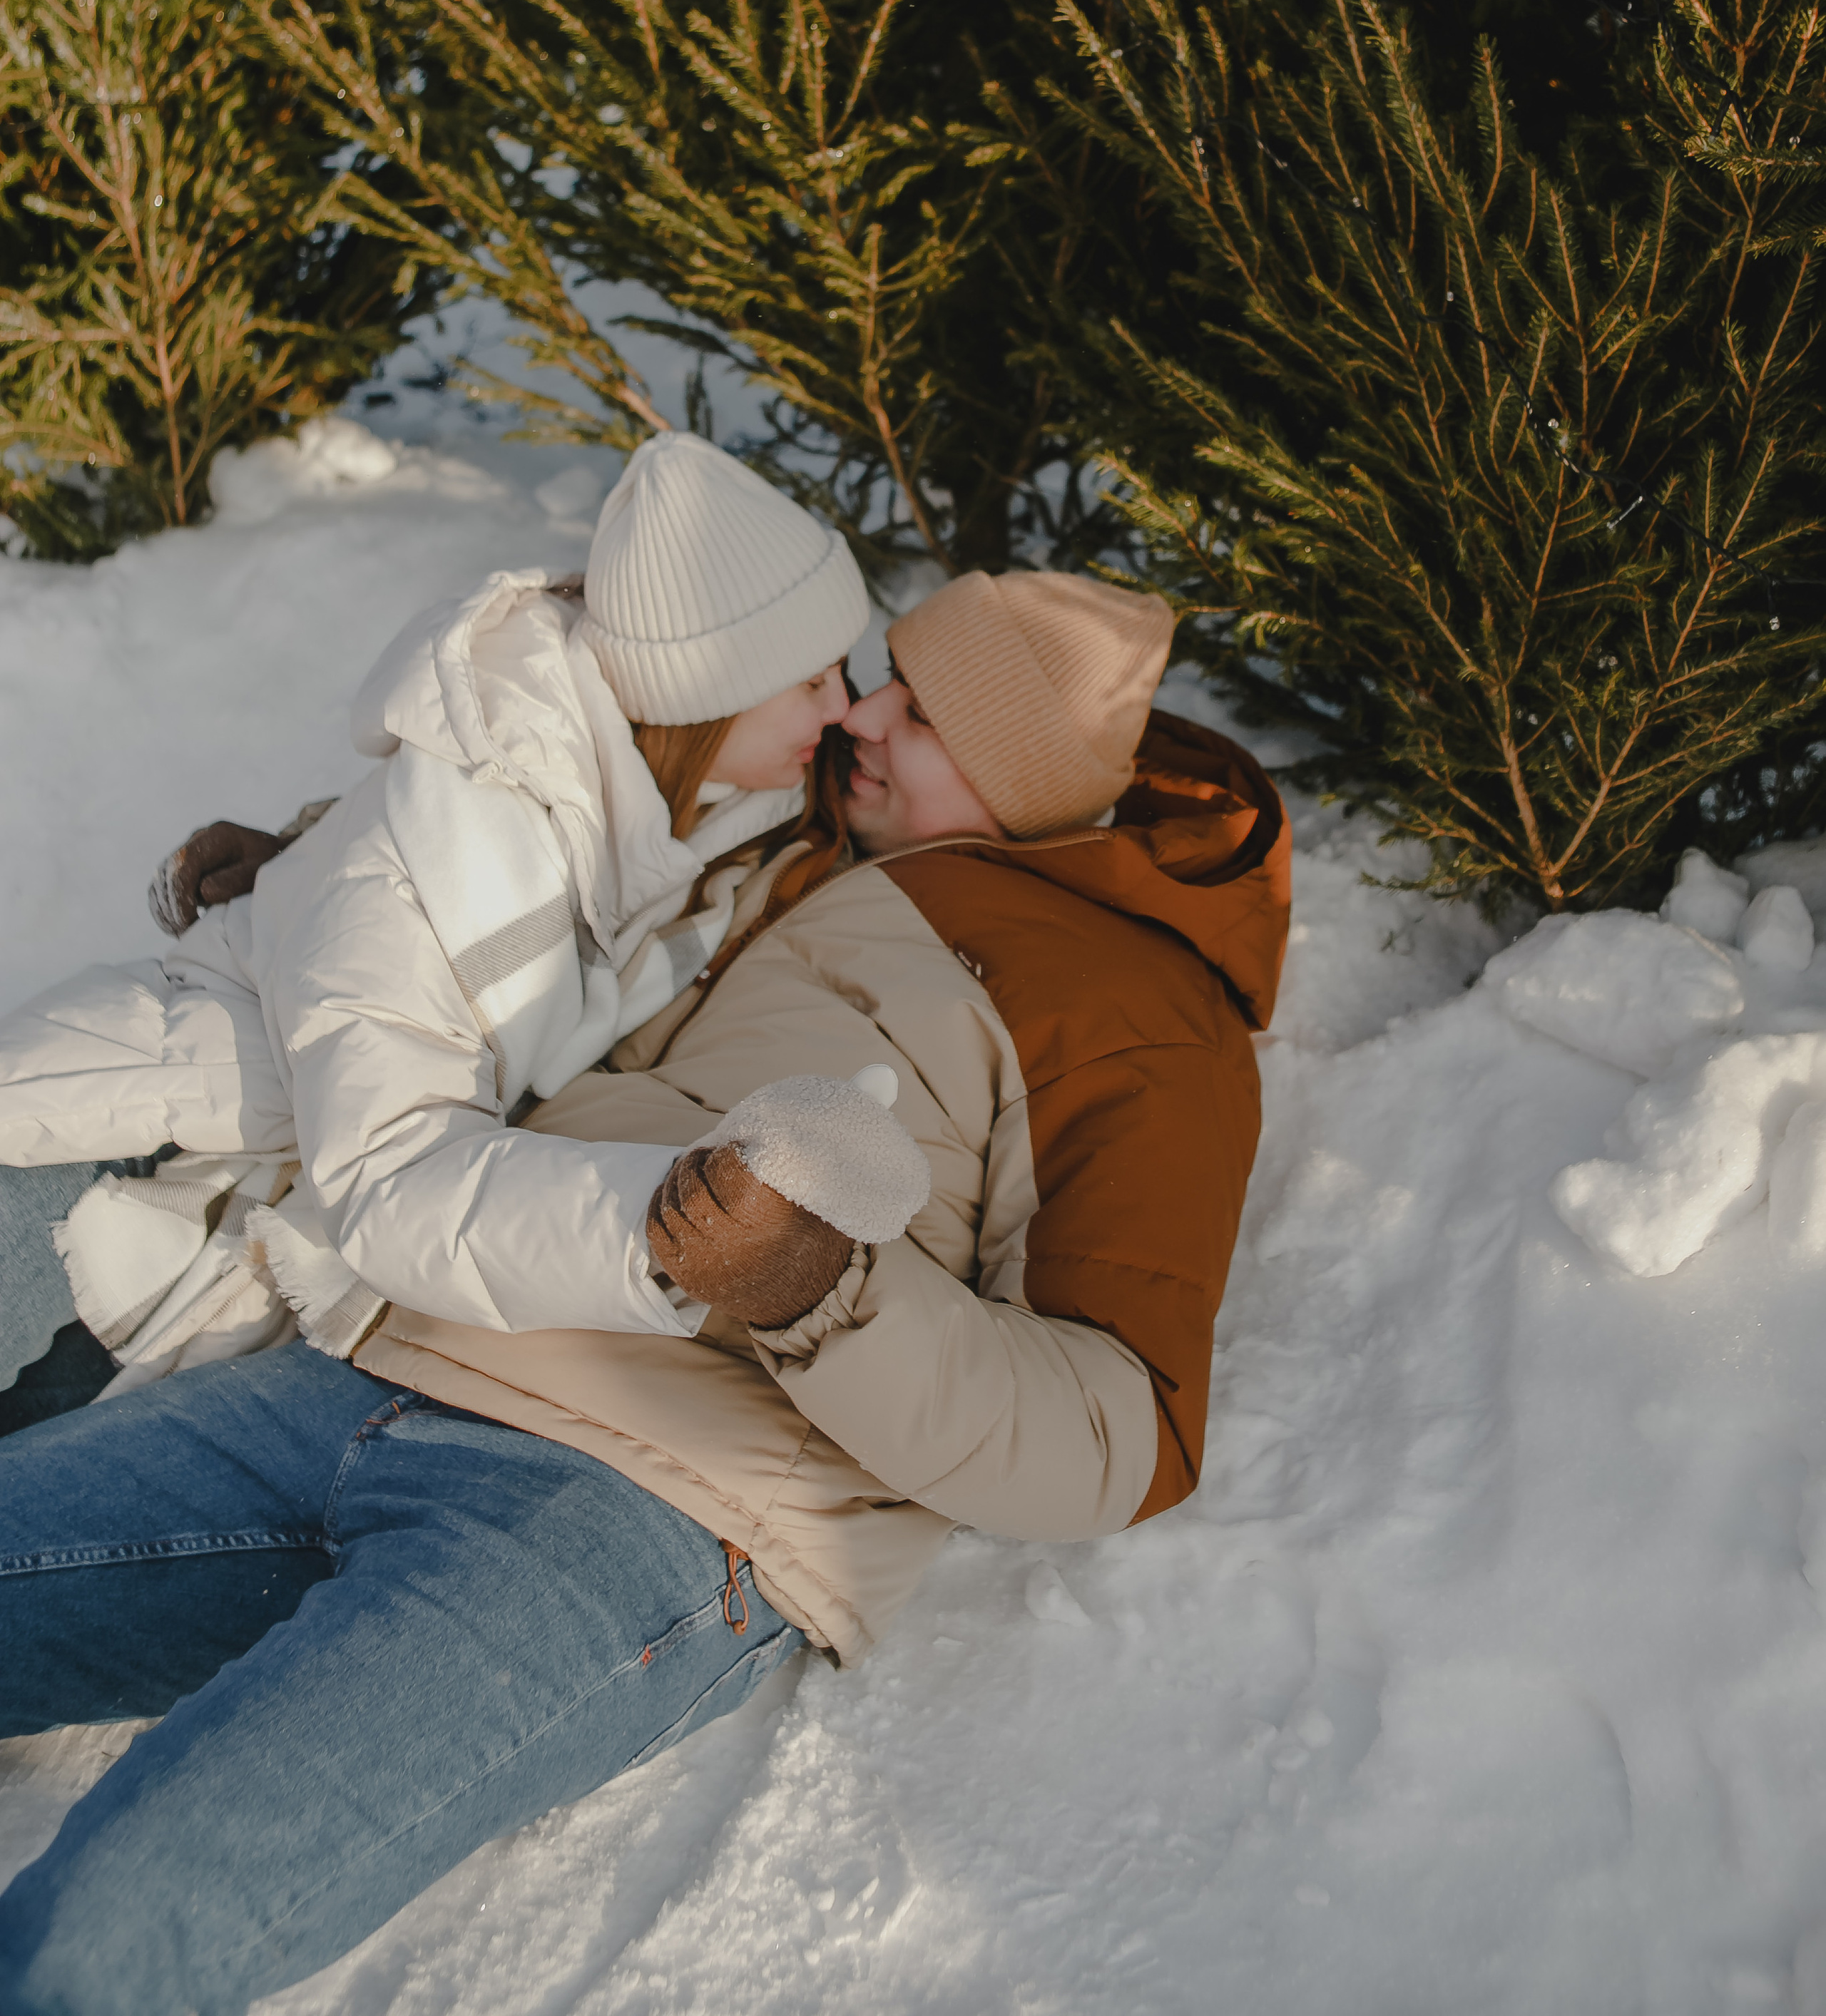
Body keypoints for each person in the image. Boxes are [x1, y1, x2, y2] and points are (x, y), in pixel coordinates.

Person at [0, 564, 1290, 2016]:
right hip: (383, 1356)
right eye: (882, 677)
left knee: (110, 1938)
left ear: (1010, 772)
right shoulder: (783, 841)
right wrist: (315, 887)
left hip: (643, 1511)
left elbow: (1120, 1431)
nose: (858, 714)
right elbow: (532, 869)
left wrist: (817, 1288)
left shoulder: (1139, 1013)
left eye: (919, 714)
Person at [0, 429, 867, 1416]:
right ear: (705, 694)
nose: (845, 708)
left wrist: (302, 839)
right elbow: (396, 1161)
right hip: (111, 1160)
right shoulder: (458, 839)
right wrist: (671, 1226)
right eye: (812, 680)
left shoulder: (702, 821)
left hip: (234, 1225)